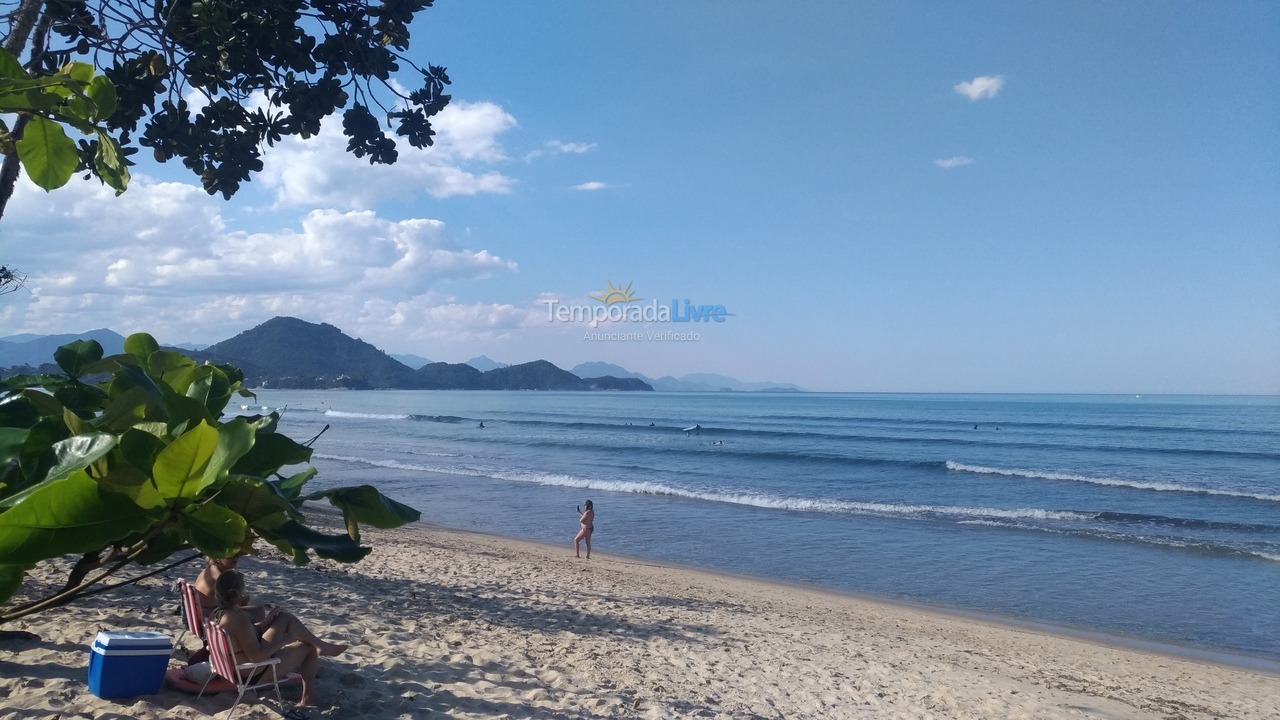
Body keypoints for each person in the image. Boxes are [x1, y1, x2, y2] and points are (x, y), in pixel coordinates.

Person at [212, 570, 347, 712]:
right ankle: (308, 699)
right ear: (238, 593)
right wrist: (284, 640)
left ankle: (322, 645)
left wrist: (265, 622)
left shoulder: (218, 613)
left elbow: (243, 636)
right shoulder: (238, 619)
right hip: (250, 672)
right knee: (308, 649)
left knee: (283, 617)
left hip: (236, 663)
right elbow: (256, 656)